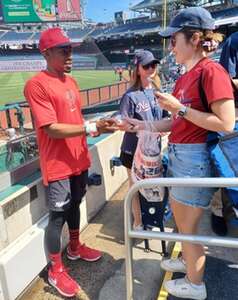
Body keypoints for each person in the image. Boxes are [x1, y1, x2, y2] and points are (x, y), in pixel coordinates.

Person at [119, 7, 235, 300]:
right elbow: (176, 121)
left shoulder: (211, 71)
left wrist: (180, 108)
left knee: (187, 228)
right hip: (182, 156)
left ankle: (195, 285)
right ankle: (187, 263)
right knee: (183, 223)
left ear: (195, 39)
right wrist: (142, 124)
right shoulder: (186, 76)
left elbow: (226, 122)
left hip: (194, 159)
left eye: (174, 39)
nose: (170, 46)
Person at [24, 27, 114, 298]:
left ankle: (74, 248)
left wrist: (96, 128)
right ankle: (55, 270)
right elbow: (51, 128)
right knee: (57, 217)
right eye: (64, 50)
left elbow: (74, 122)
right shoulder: (36, 84)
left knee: (76, 205)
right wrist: (89, 127)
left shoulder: (71, 82)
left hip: (78, 159)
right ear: (46, 52)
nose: (70, 54)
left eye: (71, 49)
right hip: (58, 164)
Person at [119, 50, 163, 230]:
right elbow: (123, 123)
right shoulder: (130, 96)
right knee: (135, 187)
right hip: (132, 149)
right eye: (146, 65)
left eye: (154, 64)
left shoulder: (158, 91)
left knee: (152, 186)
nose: (151, 68)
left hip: (152, 151)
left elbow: (165, 118)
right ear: (137, 69)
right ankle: (137, 221)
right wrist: (139, 128)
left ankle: (151, 217)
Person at [210, 31, 238, 236]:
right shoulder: (234, 40)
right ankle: (218, 212)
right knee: (226, 165)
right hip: (233, 114)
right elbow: (228, 79)